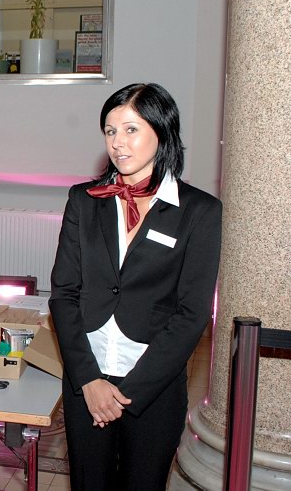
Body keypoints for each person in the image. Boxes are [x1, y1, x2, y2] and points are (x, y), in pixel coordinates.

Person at [48, 83, 222, 490]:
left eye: (131, 129)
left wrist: (128, 394)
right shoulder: (84, 200)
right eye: (110, 131)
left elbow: (192, 313)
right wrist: (90, 381)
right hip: (87, 381)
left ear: (162, 132)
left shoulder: (199, 211)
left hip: (153, 388)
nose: (117, 143)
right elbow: (64, 293)